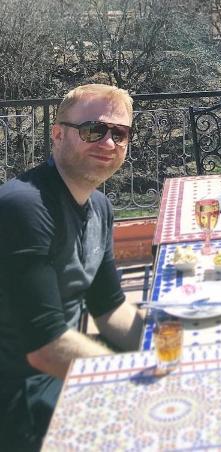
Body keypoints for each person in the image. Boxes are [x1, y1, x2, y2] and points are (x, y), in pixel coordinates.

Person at [0, 84, 144, 450]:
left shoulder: (99, 207)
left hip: (58, 372)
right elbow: (46, 348)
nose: (108, 143)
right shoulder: (24, 207)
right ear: (58, 134)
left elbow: (110, 308)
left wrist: (168, 347)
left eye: (119, 133)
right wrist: (140, 375)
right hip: (19, 395)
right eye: (93, 130)